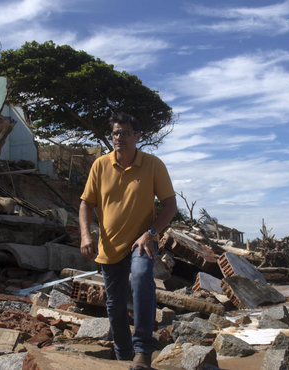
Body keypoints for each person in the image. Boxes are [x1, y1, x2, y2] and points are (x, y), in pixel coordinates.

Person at [79, 112, 177, 370]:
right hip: (109, 245)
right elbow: (85, 204)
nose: (118, 137)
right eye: (115, 133)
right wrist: (86, 235)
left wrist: (151, 233)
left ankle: (143, 351)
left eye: (124, 132)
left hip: (142, 242)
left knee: (142, 277)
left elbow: (170, 205)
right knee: (114, 302)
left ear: (137, 136)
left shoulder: (153, 165)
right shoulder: (100, 165)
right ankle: (124, 355)